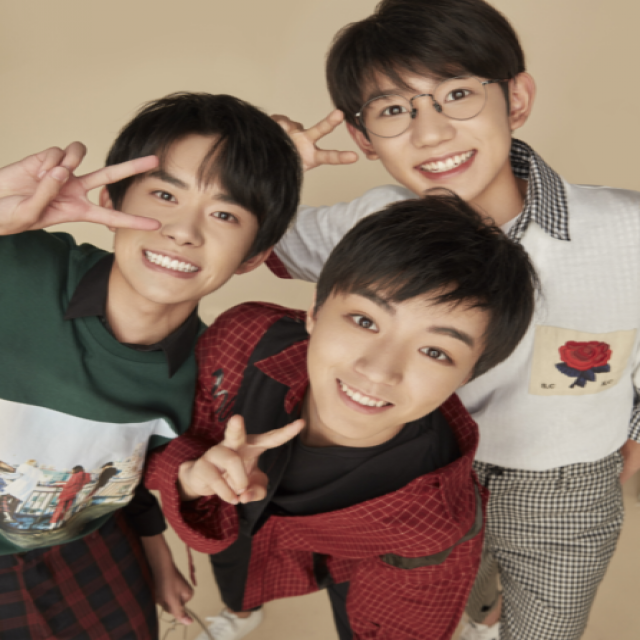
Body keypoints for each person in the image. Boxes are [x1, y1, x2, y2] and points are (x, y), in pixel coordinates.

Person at [267, 2, 640, 639]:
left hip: (561, 492)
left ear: (516, 99)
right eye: (392, 110)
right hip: (409, 484)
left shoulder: (625, 230)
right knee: (415, 622)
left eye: (458, 94)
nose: (431, 133)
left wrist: (628, 434)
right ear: (362, 138)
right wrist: (268, 169)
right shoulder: (371, 223)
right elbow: (236, 240)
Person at [146, 194, 538, 640]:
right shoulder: (244, 339)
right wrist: (190, 475)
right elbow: (150, 441)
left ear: (468, 374)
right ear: (315, 310)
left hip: (356, 557)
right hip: (241, 532)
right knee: (236, 577)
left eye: (435, 351)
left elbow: (399, 631)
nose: (379, 370)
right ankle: (241, 612)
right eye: (364, 321)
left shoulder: (433, 519)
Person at [0, 92, 301, 639]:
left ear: (255, 254)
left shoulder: (212, 370)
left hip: (88, 551)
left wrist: (155, 546)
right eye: (165, 195)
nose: (184, 230)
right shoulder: (14, 264)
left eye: (225, 214)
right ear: (111, 198)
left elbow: (130, 462)